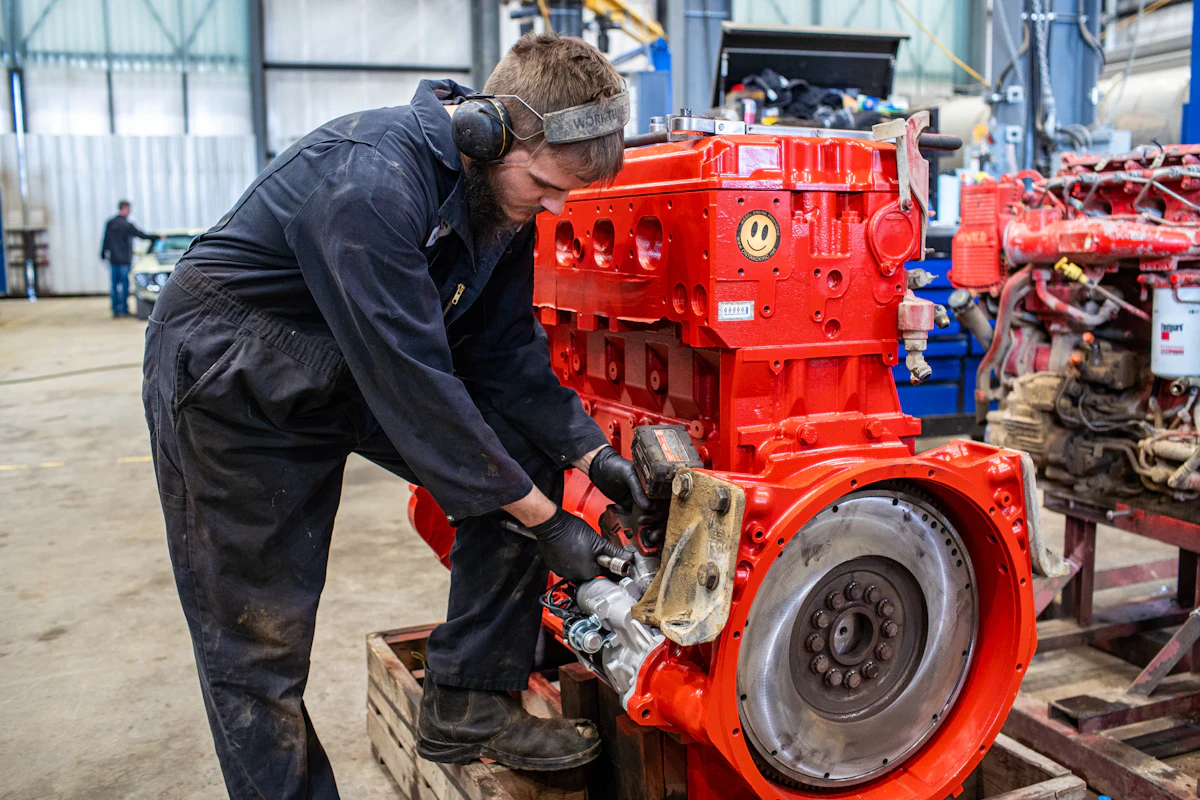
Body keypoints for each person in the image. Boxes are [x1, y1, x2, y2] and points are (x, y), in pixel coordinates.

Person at [142, 32, 647, 800]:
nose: (553, 207)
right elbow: (420, 395)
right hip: (234, 377)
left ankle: (468, 698)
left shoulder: (500, 205)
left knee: (518, 454)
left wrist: (593, 456)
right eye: (547, 184)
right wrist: (550, 525)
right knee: (258, 649)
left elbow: (505, 356)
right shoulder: (368, 182)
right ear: (490, 129)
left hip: (341, 366)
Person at [100, 200, 158, 317]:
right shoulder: (127, 225)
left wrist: (103, 254)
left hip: (113, 260)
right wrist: (156, 237)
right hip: (124, 261)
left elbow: (105, 240)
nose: (130, 211)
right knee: (124, 286)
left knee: (114, 285)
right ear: (125, 208)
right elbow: (142, 235)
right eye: (129, 209)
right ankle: (124, 310)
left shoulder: (110, 223)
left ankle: (116, 310)